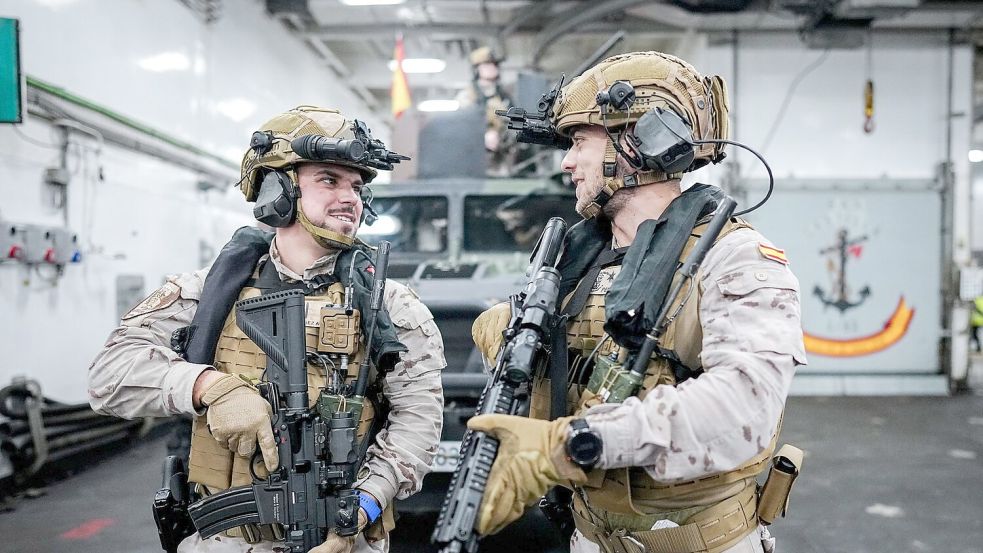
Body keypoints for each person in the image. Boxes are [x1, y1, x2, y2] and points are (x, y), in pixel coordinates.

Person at [469, 52, 807, 553]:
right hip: (589, 536)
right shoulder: (576, 262)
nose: (566, 162)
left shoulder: (734, 257)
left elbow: (744, 410)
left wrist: (573, 443)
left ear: (640, 140)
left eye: (580, 141)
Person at [88, 106, 445, 553]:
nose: (351, 197)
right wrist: (208, 386)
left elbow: (419, 419)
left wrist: (364, 507)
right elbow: (107, 378)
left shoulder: (391, 304)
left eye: (357, 185)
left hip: (342, 540)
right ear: (278, 188)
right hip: (226, 539)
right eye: (329, 180)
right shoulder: (208, 293)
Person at [456, 46, 515, 175]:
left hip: (501, 161)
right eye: (487, 64)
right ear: (477, 69)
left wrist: (502, 137)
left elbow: (513, 127)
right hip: (473, 161)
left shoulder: (504, 97)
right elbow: (461, 128)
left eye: (495, 64)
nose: (493, 67)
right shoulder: (467, 96)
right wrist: (482, 137)